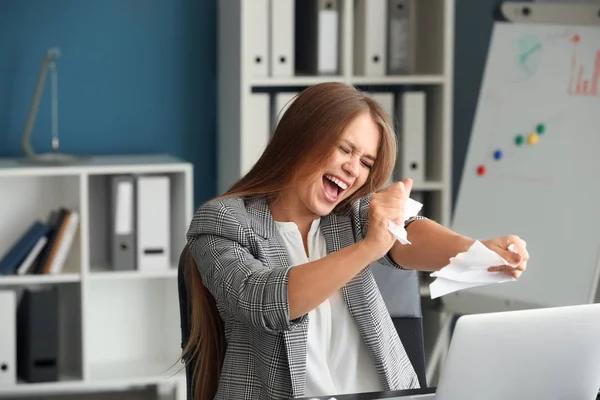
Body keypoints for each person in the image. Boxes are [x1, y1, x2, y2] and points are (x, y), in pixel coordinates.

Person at [182, 82, 528, 400]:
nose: (353, 170)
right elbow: (265, 302)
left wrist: (478, 251)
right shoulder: (225, 220)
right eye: (345, 149)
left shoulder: (348, 214)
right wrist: (367, 249)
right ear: (300, 139)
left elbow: (407, 232)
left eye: (365, 162)